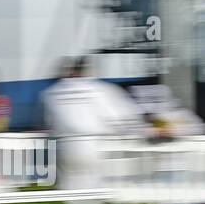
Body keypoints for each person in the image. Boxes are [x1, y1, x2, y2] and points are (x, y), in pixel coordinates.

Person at [41, 57, 149, 188]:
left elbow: (48, 123)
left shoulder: (50, 93)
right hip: (96, 149)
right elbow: (121, 119)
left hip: (66, 150)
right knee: (101, 193)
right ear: (86, 71)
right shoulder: (100, 89)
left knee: (72, 193)